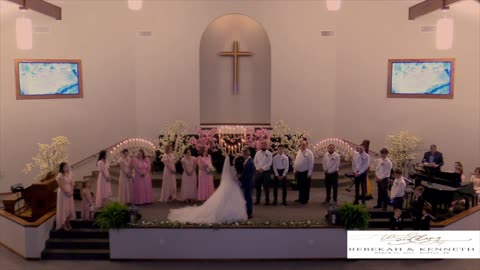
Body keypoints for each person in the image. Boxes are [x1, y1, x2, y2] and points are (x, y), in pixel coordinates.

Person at [167, 156, 248, 223]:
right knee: (229, 200)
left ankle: (228, 212)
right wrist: (239, 181)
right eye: (233, 159)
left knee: (224, 200)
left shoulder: (228, 168)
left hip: (226, 185)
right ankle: (231, 213)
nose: (234, 161)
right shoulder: (231, 168)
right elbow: (234, 177)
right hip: (231, 185)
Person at [56, 162, 75, 231]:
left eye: (67, 166)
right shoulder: (60, 175)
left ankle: (68, 221)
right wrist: (67, 192)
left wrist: (71, 191)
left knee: (69, 208)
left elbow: (72, 183)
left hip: (69, 192)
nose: (67, 168)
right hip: (63, 193)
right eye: (65, 167)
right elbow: (60, 185)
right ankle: (63, 224)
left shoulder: (69, 173)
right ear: (62, 168)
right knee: (64, 208)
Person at [294, 140, 315, 205]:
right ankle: (300, 198)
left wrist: (309, 173)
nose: (302, 146)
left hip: (305, 172)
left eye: (304, 144)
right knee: (300, 186)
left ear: (306, 145)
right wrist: (295, 170)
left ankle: (305, 199)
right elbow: (296, 161)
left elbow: (311, 164)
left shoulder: (309, 153)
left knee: (305, 187)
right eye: (301, 144)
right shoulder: (299, 151)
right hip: (298, 172)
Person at [254, 141, 273, 205]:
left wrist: (263, 168)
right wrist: (258, 168)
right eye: (262, 144)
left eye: (265, 145)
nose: (263, 146)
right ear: (261, 145)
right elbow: (255, 161)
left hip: (266, 172)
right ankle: (257, 200)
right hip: (258, 171)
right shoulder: (257, 153)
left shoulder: (269, 153)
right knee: (258, 186)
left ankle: (267, 200)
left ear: (267, 146)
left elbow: (269, 163)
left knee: (266, 186)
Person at [240, 148, 255, 219]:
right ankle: (248, 212)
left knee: (248, 198)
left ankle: (249, 213)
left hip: (248, 183)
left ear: (246, 154)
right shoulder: (248, 161)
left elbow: (248, 175)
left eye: (243, 154)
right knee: (247, 198)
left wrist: (242, 182)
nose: (242, 155)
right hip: (248, 183)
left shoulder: (249, 162)